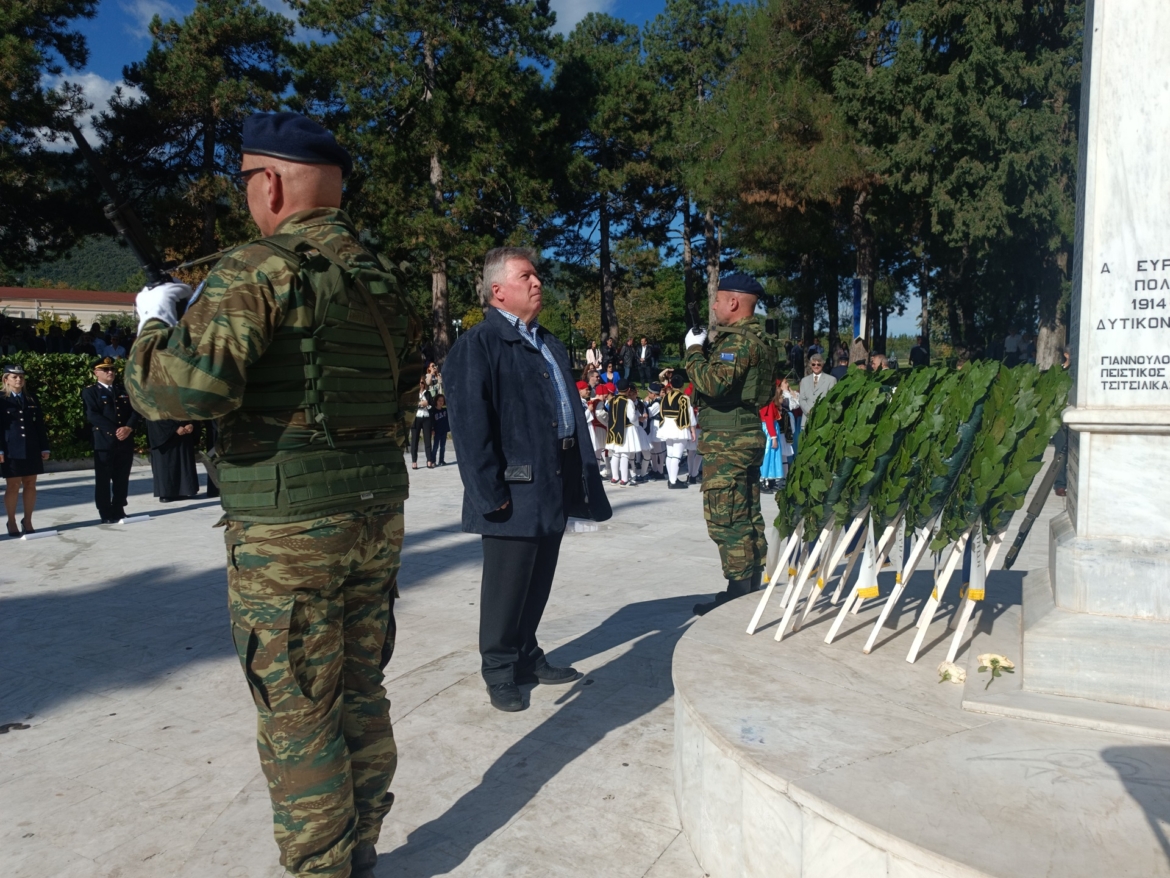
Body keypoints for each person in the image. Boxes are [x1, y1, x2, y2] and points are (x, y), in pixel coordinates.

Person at [124, 112, 422, 878]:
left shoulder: (257, 266)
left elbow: (182, 395)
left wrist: (156, 325)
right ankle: (359, 850)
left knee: (297, 710)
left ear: (274, 184)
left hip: (289, 528)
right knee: (360, 689)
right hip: (373, 515)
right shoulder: (384, 278)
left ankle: (321, 869)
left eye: (250, 182)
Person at [444, 246, 611, 713]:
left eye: (537, 276)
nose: (538, 283)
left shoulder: (548, 341)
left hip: (552, 482)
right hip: (510, 492)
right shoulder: (478, 345)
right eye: (526, 276)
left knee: (537, 581)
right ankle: (498, 667)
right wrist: (487, 495)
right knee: (507, 585)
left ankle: (524, 655)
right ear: (498, 291)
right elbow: (470, 427)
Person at [683, 273, 780, 615]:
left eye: (718, 300)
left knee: (726, 516)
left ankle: (738, 589)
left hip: (729, 441)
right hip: (746, 435)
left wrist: (693, 351)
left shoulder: (739, 342)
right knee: (748, 513)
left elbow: (713, 384)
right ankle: (749, 583)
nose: (714, 305)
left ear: (734, 303)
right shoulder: (758, 339)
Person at [83, 357, 139, 523]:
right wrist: (116, 431)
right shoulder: (90, 392)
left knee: (122, 477)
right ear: (96, 372)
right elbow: (92, 415)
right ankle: (105, 512)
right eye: (105, 370)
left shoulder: (122, 390)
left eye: (112, 369)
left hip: (124, 440)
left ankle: (119, 508)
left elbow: (136, 411)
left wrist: (128, 428)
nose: (110, 372)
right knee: (103, 478)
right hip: (104, 441)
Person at [0, 365, 51, 535]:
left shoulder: (31, 398)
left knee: (30, 484)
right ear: (6, 379)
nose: (18, 379)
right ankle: (11, 521)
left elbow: (39, 426)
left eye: (21, 376)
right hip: (10, 448)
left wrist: (44, 447)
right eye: (14, 377)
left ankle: (27, 520)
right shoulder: (1, 399)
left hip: (31, 447)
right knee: (13, 485)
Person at [605, 379, 649, 487]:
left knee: (615, 454)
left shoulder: (612, 400)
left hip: (613, 429)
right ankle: (624, 479)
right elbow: (632, 417)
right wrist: (637, 421)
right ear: (628, 389)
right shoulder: (628, 401)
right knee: (624, 454)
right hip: (626, 429)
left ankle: (615, 478)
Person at [145, 418, 200, 501]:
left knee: (183, 460)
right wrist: (174, 428)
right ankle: (166, 493)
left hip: (184, 430)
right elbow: (153, 413)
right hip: (163, 432)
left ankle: (183, 491)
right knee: (165, 463)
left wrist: (192, 424)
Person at [657, 374, 695, 489]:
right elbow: (690, 415)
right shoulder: (684, 398)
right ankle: (673, 481)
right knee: (677, 456)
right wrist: (692, 430)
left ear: (671, 384)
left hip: (667, 426)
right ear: (682, 385)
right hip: (679, 426)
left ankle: (671, 478)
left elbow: (661, 413)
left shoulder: (665, 397)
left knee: (670, 455)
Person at [759, 383, 784, 493]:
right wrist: (773, 437)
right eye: (781, 396)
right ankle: (762, 480)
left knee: (773, 456)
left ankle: (771, 479)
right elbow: (769, 421)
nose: (783, 398)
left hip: (772, 430)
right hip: (769, 432)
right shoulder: (769, 405)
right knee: (767, 455)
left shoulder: (773, 405)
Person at [797, 352, 836, 422]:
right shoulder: (804, 381)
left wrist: (820, 412)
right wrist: (809, 411)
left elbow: (832, 400)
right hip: (807, 420)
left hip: (823, 419)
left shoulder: (831, 380)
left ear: (823, 364)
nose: (816, 366)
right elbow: (801, 400)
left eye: (818, 364)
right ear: (810, 365)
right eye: (813, 364)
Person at [410, 376, 435, 469]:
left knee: (427, 440)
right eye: (419, 383)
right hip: (416, 418)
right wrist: (420, 404)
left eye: (422, 383)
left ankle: (429, 460)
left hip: (426, 417)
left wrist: (427, 404)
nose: (421, 384)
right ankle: (414, 461)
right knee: (414, 440)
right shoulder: (414, 394)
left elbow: (432, 406)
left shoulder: (428, 393)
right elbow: (410, 404)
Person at [430, 394, 450, 465]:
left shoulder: (445, 410)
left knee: (443, 446)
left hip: (444, 431)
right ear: (436, 401)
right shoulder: (433, 411)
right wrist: (432, 429)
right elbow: (432, 421)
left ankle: (441, 460)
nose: (441, 402)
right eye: (439, 400)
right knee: (435, 446)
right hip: (437, 431)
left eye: (442, 400)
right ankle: (433, 461)